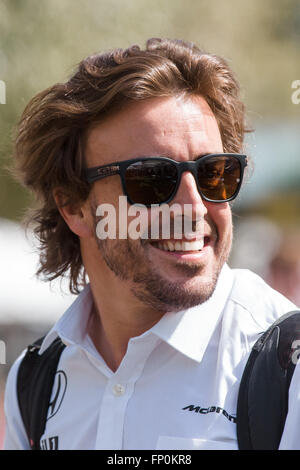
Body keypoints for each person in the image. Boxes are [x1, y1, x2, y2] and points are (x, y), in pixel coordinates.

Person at [3, 38, 299, 450]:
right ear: (73, 206)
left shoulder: (287, 370)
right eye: (150, 179)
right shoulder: (34, 379)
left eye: (215, 173)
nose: (195, 206)